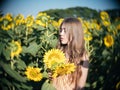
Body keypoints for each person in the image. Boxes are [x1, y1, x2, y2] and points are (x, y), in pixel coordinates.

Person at [52, 17, 89, 90]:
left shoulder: (83, 56)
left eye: (65, 31)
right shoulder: (58, 51)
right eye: (61, 30)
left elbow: (80, 86)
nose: (61, 34)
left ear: (74, 33)